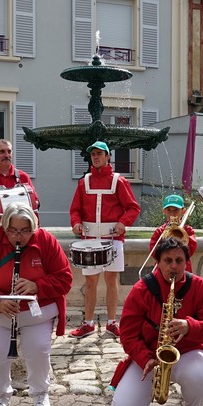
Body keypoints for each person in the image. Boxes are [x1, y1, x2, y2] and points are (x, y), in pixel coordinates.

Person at [111, 237, 203, 406]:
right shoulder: (142, 289)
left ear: (186, 262)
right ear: (158, 263)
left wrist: (190, 326)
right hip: (150, 358)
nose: (174, 266)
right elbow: (127, 334)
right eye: (168, 261)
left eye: (179, 261)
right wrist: (145, 358)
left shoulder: (200, 286)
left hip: (188, 353)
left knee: (198, 375)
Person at [0, 203, 73, 406]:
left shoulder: (46, 241)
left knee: (38, 350)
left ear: (33, 227)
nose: (19, 236)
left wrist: (37, 286)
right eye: (13, 230)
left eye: (25, 230)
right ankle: (1, 393)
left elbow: (65, 278)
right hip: (0, 314)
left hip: (37, 313)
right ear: (4, 227)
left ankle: (40, 393)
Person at [68, 141, 141, 338]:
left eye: (99, 154)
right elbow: (75, 209)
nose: (96, 157)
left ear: (108, 156)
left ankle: (111, 323)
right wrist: (76, 223)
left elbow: (133, 208)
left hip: (113, 239)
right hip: (89, 239)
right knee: (90, 282)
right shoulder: (84, 182)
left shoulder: (119, 181)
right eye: (93, 154)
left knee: (111, 280)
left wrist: (123, 223)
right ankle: (88, 323)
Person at [148, 194, 197, 272]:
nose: (172, 214)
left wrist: (181, 236)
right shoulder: (160, 231)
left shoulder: (188, 230)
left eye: (176, 210)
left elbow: (190, 250)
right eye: (169, 210)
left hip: (183, 268)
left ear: (183, 211)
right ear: (164, 211)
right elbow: (154, 251)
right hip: (163, 267)